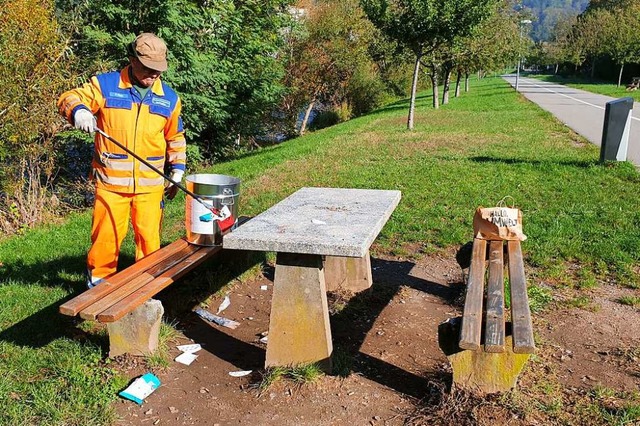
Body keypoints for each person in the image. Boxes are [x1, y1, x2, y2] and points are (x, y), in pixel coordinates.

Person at [57, 33, 186, 288]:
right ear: (132, 60)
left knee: (149, 240)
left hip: (151, 185)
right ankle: (98, 286)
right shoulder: (105, 85)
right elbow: (68, 98)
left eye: (158, 70)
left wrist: (178, 170)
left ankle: (147, 289)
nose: (153, 75)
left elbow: (176, 137)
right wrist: (79, 111)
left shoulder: (169, 98)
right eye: (148, 69)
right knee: (106, 239)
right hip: (111, 184)